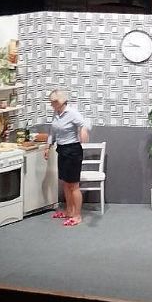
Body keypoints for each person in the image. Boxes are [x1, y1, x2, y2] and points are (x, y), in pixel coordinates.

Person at [44, 89, 90, 227]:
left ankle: (77, 215)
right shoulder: (56, 113)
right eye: (51, 102)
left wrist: (83, 131)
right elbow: (52, 131)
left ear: (61, 101)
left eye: (54, 102)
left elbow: (85, 124)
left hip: (73, 151)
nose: (51, 104)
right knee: (65, 183)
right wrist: (47, 146)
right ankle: (69, 211)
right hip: (62, 150)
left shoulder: (72, 113)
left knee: (73, 185)